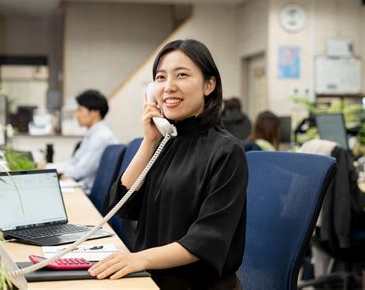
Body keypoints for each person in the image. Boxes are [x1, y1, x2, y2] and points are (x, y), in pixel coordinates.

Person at [88, 39, 248, 289]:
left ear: (209, 84)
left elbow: (205, 240)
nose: (168, 87)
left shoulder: (227, 151)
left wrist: (139, 259)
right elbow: (123, 205)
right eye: (160, 78)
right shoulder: (164, 142)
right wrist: (149, 142)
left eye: (181, 75)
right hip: (150, 279)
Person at [49, 89, 117, 194]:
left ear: (94, 113)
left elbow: (81, 171)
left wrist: (52, 171)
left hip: (87, 192)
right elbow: (73, 162)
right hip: (82, 187)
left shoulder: (101, 137)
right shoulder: (92, 134)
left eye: (80, 110)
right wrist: (48, 168)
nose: (77, 115)